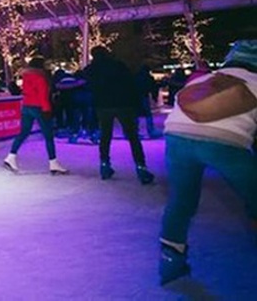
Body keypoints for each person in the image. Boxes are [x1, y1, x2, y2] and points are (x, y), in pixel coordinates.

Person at [157, 40, 257, 285]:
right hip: (226, 143)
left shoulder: (202, 79)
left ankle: (170, 262)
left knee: (181, 200)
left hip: (176, 135)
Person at [83, 46, 154, 184]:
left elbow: (89, 87)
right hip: (123, 104)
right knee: (132, 136)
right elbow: (130, 83)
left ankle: (105, 165)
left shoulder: (90, 70)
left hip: (103, 105)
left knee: (105, 136)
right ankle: (141, 167)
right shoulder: (118, 65)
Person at [3, 57, 69, 175]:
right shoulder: (41, 78)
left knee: (23, 132)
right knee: (48, 136)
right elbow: (42, 95)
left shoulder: (26, 77)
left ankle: (11, 156)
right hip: (39, 107)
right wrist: (47, 110)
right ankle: (53, 163)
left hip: (27, 107)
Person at [135, 65, 162, 139]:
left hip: (136, 97)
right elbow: (153, 88)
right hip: (144, 96)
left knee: (136, 114)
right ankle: (150, 130)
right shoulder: (148, 78)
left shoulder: (136, 77)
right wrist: (154, 97)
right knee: (148, 114)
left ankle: (135, 131)